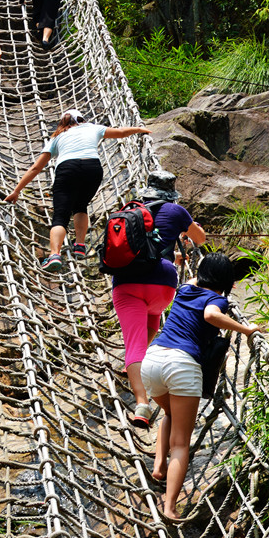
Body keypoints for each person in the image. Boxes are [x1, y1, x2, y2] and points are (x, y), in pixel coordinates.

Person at [141, 252, 266, 521]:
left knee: (170, 414)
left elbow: (199, 275)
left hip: (152, 360)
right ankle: (170, 507)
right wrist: (248, 331)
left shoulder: (185, 287)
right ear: (226, 281)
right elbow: (210, 315)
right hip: (182, 365)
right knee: (181, 444)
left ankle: (159, 467)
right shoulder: (216, 299)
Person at [111, 172, 207, 429]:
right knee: (153, 315)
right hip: (162, 285)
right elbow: (200, 239)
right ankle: (137, 359)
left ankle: (142, 403)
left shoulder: (129, 209)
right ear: (171, 193)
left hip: (127, 282)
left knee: (133, 343)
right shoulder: (177, 211)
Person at [3, 109, 151, 273]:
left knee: (61, 215)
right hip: (92, 168)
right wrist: (139, 129)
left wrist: (17, 191)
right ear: (81, 119)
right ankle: (80, 245)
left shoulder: (57, 136)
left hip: (68, 169)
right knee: (81, 205)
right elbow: (121, 133)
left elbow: (36, 167)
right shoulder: (92, 127)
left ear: (63, 122)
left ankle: (54, 255)